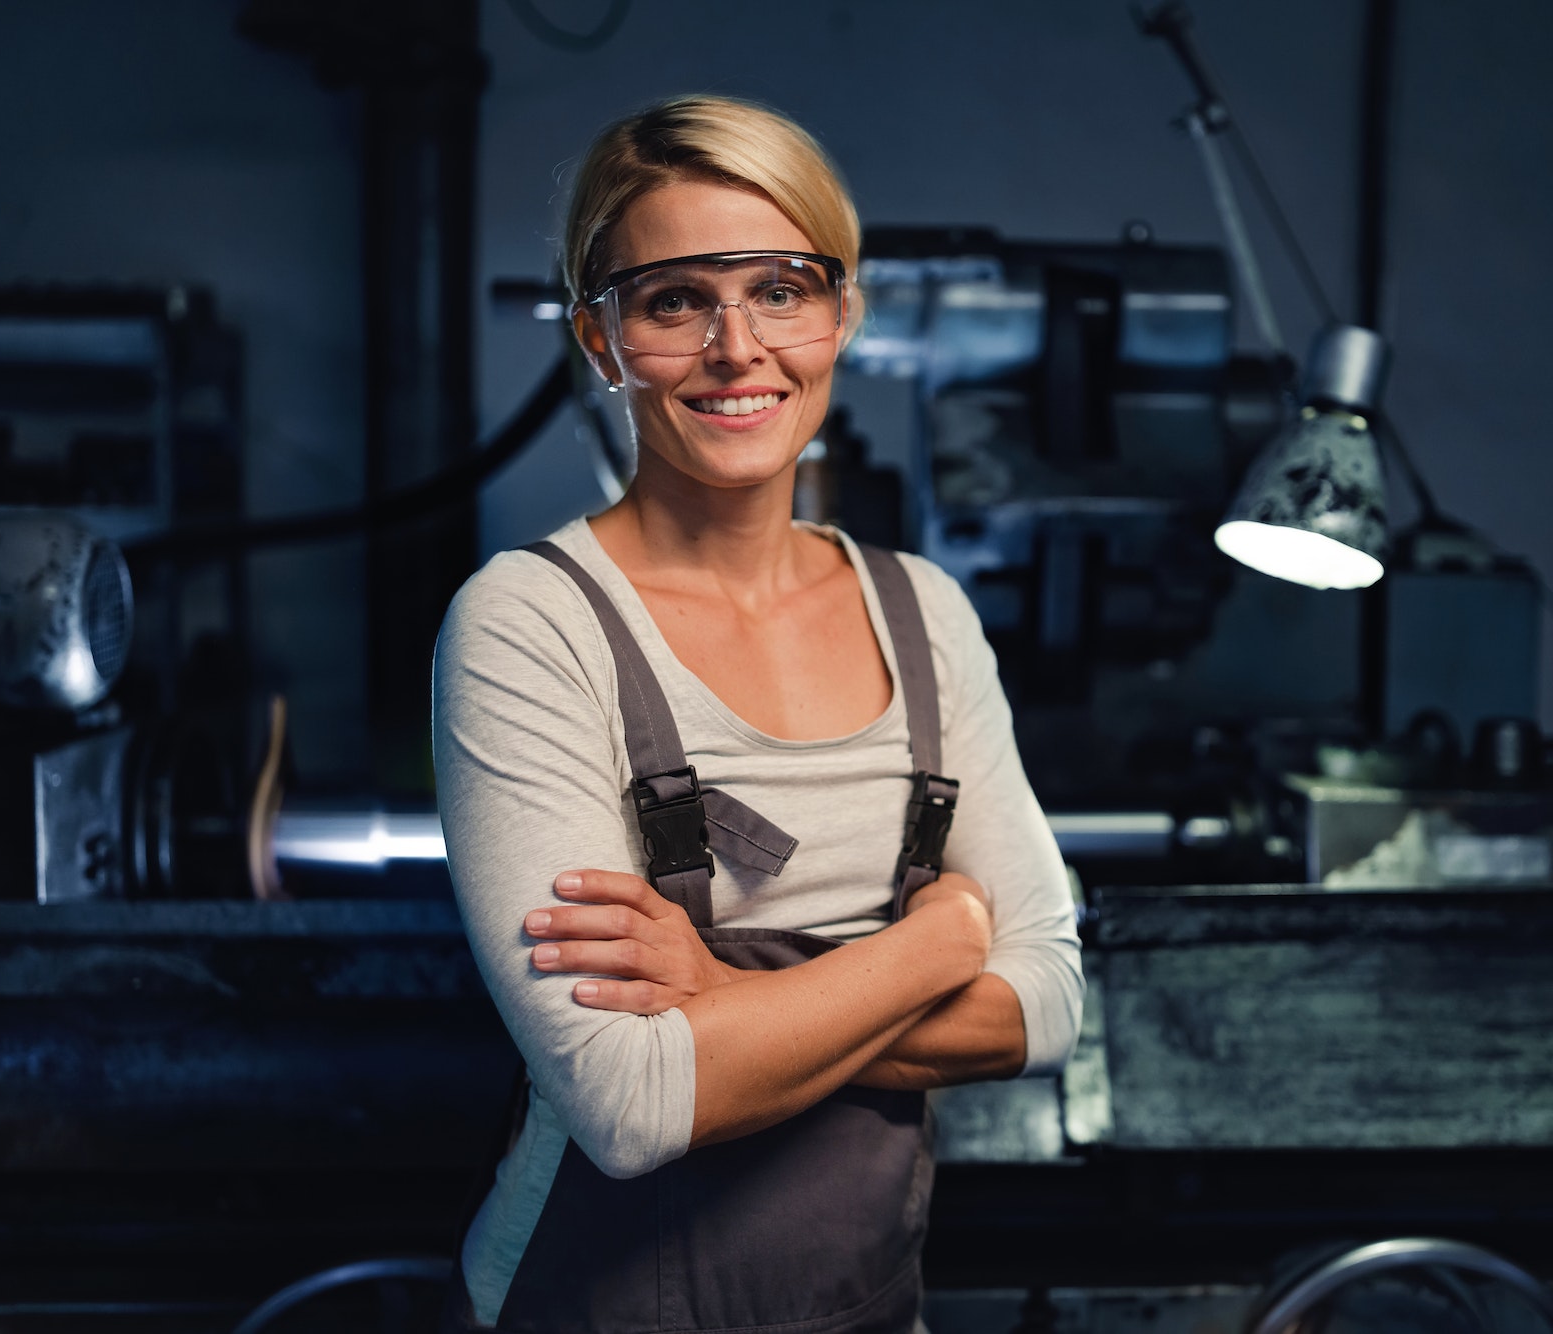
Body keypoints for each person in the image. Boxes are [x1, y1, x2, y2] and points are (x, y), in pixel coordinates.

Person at [433, 94, 1083, 1333]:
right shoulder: (529, 623)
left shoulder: (923, 614)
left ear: (841, 312)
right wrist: (936, 946)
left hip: (865, 1307)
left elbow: (1048, 999)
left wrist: (721, 1003)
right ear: (600, 336)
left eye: (780, 288)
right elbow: (628, 1105)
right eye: (675, 300)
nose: (739, 347)